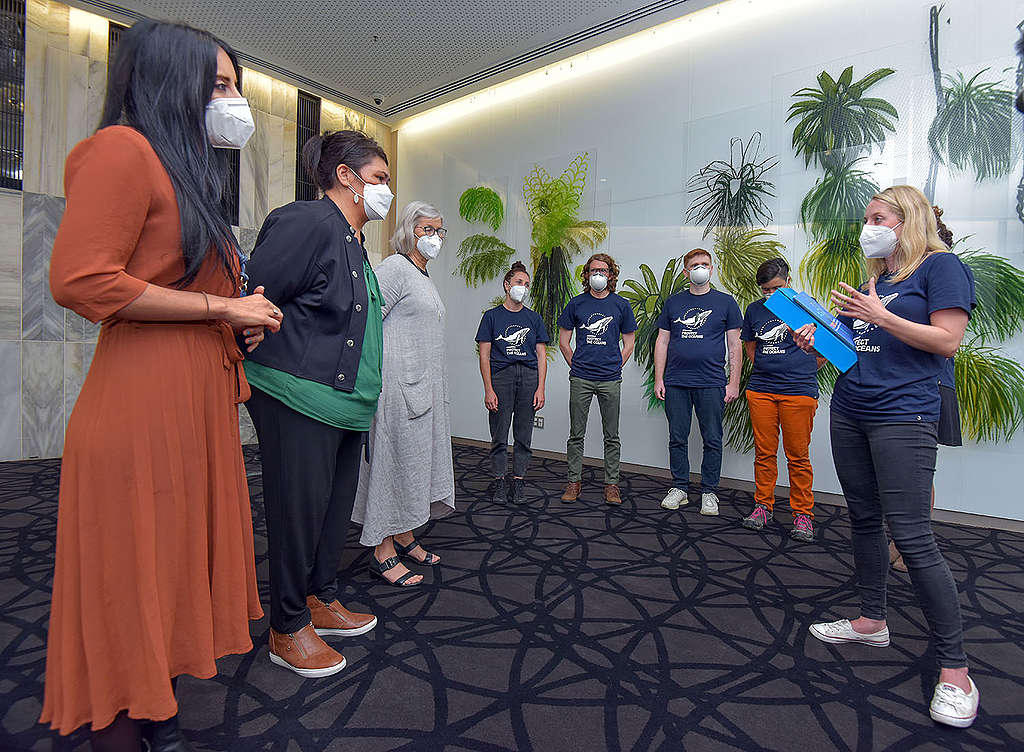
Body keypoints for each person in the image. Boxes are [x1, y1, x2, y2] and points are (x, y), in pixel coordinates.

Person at [41, 20, 280, 751]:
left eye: (236, 86)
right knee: (131, 572)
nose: (232, 100)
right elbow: (79, 279)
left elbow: (178, 284)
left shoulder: (190, 174)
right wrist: (221, 307)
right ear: (169, 82)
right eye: (219, 85)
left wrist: (236, 320)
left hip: (197, 400)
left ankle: (154, 708)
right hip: (142, 404)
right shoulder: (122, 150)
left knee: (172, 566)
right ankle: (120, 725)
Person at [795, 185, 979, 728]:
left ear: (908, 220)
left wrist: (881, 315)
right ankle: (873, 620)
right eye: (867, 217)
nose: (868, 225)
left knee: (913, 534)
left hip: (905, 412)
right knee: (863, 520)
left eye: (879, 217)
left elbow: (947, 340)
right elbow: (857, 345)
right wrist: (820, 338)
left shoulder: (941, 267)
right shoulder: (881, 277)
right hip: (852, 406)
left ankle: (956, 670)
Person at [244, 130, 390, 677]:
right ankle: (286, 627)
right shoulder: (308, 221)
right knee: (297, 513)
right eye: (378, 178)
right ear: (345, 177)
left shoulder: (354, 242)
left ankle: (319, 598)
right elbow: (253, 296)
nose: (385, 191)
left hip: (346, 405)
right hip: (299, 398)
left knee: (332, 513)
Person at [353, 202, 456, 587]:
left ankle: (404, 535)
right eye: (428, 229)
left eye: (439, 231)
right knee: (393, 465)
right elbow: (366, 320)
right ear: (410, 231)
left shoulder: (422, 275)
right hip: (397, 391)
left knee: (415, 466)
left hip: (423, 391)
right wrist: (377, 376)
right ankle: (381, 551)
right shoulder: (396, 268)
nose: (435, 238)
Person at [889, 207, 975, 572]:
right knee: (894, 475)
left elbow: (946, 338)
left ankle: (911, 543)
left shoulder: (946, 269)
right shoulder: (892, 278)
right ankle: (897, 539)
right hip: (893, 385)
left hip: (929, 384)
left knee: (917, 473)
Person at [738, 258, 824, 541]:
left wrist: (802, 367)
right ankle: (763, 506)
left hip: (799, 391)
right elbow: (751, 346)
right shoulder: (754, 310)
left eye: (776, 288)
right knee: (764, 453)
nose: (770, 295)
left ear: (788, 281)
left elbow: (825, 351)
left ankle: (803, 515)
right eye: (765, 290)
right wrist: (767, 366)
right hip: (762, 390)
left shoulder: (806, 306)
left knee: (798, 456)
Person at [654, 248, 742, 516]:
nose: (700, 268)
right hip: (677, 382)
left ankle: (709, 492)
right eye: (695, 265)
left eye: (705, 264)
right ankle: (679, 487)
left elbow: (735, 344)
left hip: (712, 382)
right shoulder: (673, 303)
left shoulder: (726, 302)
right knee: (677, 437)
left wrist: (733, 382)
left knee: (712, 439)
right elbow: (663, 340)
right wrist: (659, 378)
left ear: (712, 269)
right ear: (686, 271)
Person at [557, 254, 637, 505]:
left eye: (603, 271)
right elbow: (563, 340)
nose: (598, 275)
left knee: (611, 435)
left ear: (611, 275)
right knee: (575, 435)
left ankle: (611, 484)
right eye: (593, 270)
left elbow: (629, 342)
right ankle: (573, 482)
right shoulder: (576, 304)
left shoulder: (621, 305)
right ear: (586, 274)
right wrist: (576, 364)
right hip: (581, 378)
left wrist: (615, 365)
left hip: (610, 380)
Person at [476, 261, 550, 504]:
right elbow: (484, 355)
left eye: (526, 284)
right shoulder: (491, 317)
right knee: (499, 432)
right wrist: (488, 389)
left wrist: (540, 387)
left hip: (528, 377)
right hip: (501, 377)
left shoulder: (534, 318)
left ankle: (518, 480)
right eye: (519, 283)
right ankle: (499, 480)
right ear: (507, 285)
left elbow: (541, 356)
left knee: (523, 433)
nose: (523, 288)